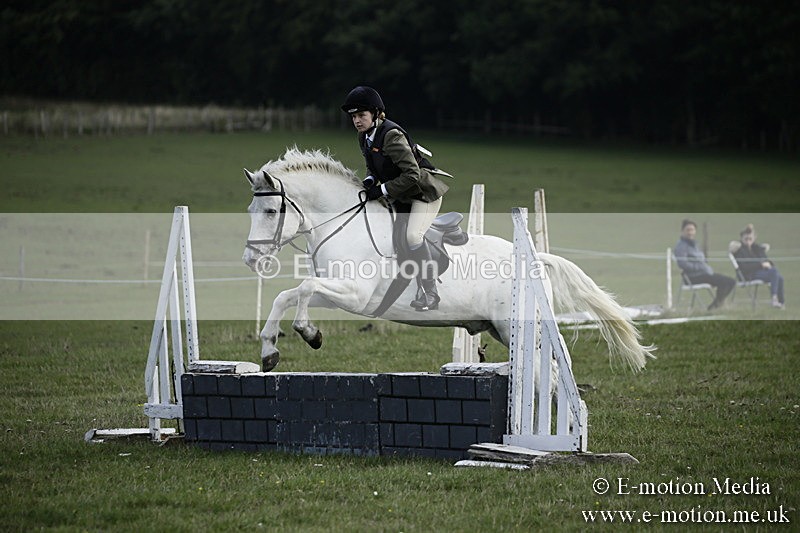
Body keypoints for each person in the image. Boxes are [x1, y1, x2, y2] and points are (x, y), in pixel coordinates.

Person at [341, 86, 450, 311]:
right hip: (401, 196)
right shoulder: (364, 137)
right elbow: (372, 167)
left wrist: (381, 192)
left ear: (375, 114)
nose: (357, 121)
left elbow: (412, 175)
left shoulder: (391, 135)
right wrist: (370, 181)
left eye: (361, 115)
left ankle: (430, 293)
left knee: (412, 237)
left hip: (422, 194)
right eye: (354, 117)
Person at [674, 219, 735, 310]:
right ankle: (714, 307)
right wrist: (699, 267)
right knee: (724, 282)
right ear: (682, 231)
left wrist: (706, 268)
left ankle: (715, 306)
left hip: (703, 274)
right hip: (692, 277)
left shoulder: (694, 245)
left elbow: (701, 261)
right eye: (688, 230)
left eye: (692, 230)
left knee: (731, 282)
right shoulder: (681, 246)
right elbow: (682, 264)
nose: (690, 232)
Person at [732, 224, 785, 308]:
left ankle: (781, 303)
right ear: (741, 238)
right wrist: (760, 264)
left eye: (750, 239)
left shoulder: (757, 248)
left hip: (761, 272)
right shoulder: (739, 250)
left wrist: (768, 264)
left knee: (779, 277)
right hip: (749, 275)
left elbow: (766, 260)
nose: (748, 241)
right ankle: (774, 299)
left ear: (754, 238)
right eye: (746, 239)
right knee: (774, 272)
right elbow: (744, 268)